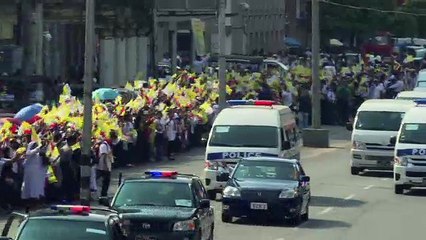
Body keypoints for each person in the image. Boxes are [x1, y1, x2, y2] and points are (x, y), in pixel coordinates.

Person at [21, 140, 48, 208]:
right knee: (29, 188)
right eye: (34, 145)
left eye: (36, 145)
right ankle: (30, 203)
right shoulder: (29, 154)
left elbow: (45, 163)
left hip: (38, 175)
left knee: (38, 188)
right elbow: (29, 153)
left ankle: (38, 202)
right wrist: (40, 146)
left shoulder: (39, 154)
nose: (35, 146)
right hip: (30, 175)